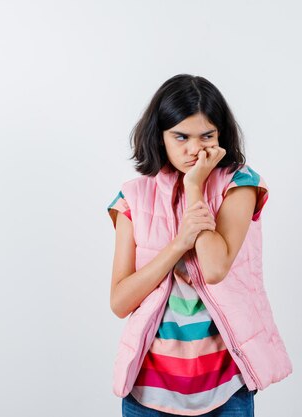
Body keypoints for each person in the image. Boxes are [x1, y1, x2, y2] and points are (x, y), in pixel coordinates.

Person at [107, 74, 292, 417]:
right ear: (159, 137)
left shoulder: (240, 183)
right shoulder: (132, 197)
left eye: (207, 136)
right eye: (181, 137)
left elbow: (215, 268)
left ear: (221, 136)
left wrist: (195, 188)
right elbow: (120, 302)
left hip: (225, 387)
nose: (195, 149)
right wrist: (179, 244)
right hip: (147, 391)